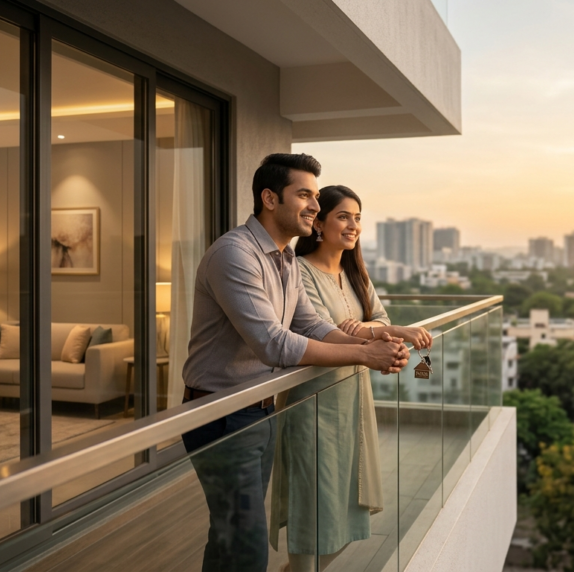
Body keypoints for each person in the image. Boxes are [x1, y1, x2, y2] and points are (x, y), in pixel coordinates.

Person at [181, 154, 410, 572]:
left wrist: (376, 349)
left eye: (316, 196)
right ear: (270, 198)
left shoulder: (284, 258)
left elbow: (312, 325)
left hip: (261, 411)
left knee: (230, 538)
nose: (315, 206)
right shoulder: (235, 254)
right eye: (304, 194)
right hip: (220, 414)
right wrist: (364, 353)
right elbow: (274, 343)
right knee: (245, 544)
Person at [270, 185, 432, 572]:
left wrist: (363, 328)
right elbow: (317, 330)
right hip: (312, 404)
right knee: (312, 507)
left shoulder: (355, 272)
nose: (353, 225)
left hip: (353, 404)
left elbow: (382, 321)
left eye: (358, 217)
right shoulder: (299, 270)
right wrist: (369, 331)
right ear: (320, 223)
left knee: (349, 507)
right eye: (343, 216)